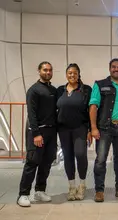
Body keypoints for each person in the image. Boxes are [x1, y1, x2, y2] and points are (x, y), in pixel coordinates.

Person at [89, 58, 118, 202]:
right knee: (101, 159)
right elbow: (93, 106)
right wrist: (93, 128)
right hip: (104, 128)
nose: (116, 69)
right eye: (114, 67)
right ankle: (99, 190)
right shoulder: (100, 85)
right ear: (109, 69)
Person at [17, 61, 57, 207]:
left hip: (51, 133)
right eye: (45, 70)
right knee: (32, 162)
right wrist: (36, 134)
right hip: (37, 132)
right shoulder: (33, 90)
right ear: (39, 71)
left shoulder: (53, 90)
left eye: (50, 70)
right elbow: (31, 114)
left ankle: (40, 191)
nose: (48, 72)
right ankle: (23, 194)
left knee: (46, 163)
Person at [56, 63, 92, 201]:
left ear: (78, 74)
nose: (72, 75)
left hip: (80, 128)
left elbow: (91, 110)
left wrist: (90, 129)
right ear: (66, 74)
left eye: (75, 73)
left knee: (80, 154)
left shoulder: (86, 90)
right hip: (63, 129)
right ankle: (72, 186)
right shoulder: (60, 90)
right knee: (68, 157)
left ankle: (82, 185)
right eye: (70, 73)